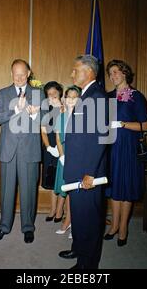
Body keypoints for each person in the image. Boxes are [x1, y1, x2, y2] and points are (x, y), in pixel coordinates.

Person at [58, 55, 108, 269]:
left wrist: (90, 173)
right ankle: (79, 249)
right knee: (78, 215)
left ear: (88, 71)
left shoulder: (96, 97)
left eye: (75, 69)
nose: (72, 74)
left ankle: (87, 265)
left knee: (88, 219)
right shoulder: (87, 95)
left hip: (87, 173)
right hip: (77, 168)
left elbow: (99, 139)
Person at [0, 59, 44, 244]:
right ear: (11, 74)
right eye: (16, 74)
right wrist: (15, 109)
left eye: (23, 74)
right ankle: (4, 226)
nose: (19, 78)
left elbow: (46, 120)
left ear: (28, 73)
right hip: (8, 150)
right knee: (6, 191)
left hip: (29, 150)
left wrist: (35, 113)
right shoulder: (3, 93)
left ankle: (28, 227)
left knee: (29, 191)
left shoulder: (38, 92)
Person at [104, 59, 147, 245]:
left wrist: (122, 124)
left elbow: (145, 125)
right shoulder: (107, 96)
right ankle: (114, 225)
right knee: (114, 188)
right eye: (110, 73)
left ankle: (123, 228)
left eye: (116, 72)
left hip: (128, 148)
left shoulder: (136, 96)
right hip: (111, 147)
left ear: (124, 73)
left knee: (126, 187)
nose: (113, 76)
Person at [54, 86, 82, 237]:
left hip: (77, 159)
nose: (71, 100)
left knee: (74, 193)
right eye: (69, 97)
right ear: (64, 99)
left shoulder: (82, 117)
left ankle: (72, 223)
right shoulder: (61, 116)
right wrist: (62, 156)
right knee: (67, 191)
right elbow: (58, 138)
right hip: (63, 158)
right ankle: (69, 221)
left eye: (75, 97)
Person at [41, 81, 64, 222]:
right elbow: (43, 131)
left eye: (54, 93)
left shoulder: (66, 107)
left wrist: (60, 149)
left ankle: (60, 210)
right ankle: (52, 209)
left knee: (61, 179)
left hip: (63, 148)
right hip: (50, 149)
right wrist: (49, 147)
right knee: (51, 180)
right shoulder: (46, 109)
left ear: (60, 92)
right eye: (49, 94)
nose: (52, 96)